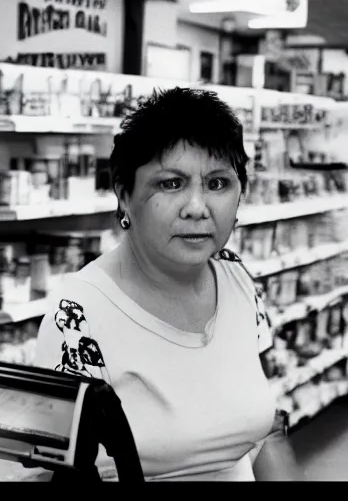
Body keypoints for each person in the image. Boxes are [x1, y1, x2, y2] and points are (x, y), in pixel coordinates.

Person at [33, 87, 298, 481]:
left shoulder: (237, 279)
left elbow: (261, 434)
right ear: (125, 194)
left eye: (218, 183)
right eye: (171, 184)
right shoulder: (79, 315)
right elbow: (57, 469)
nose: (197, 207)